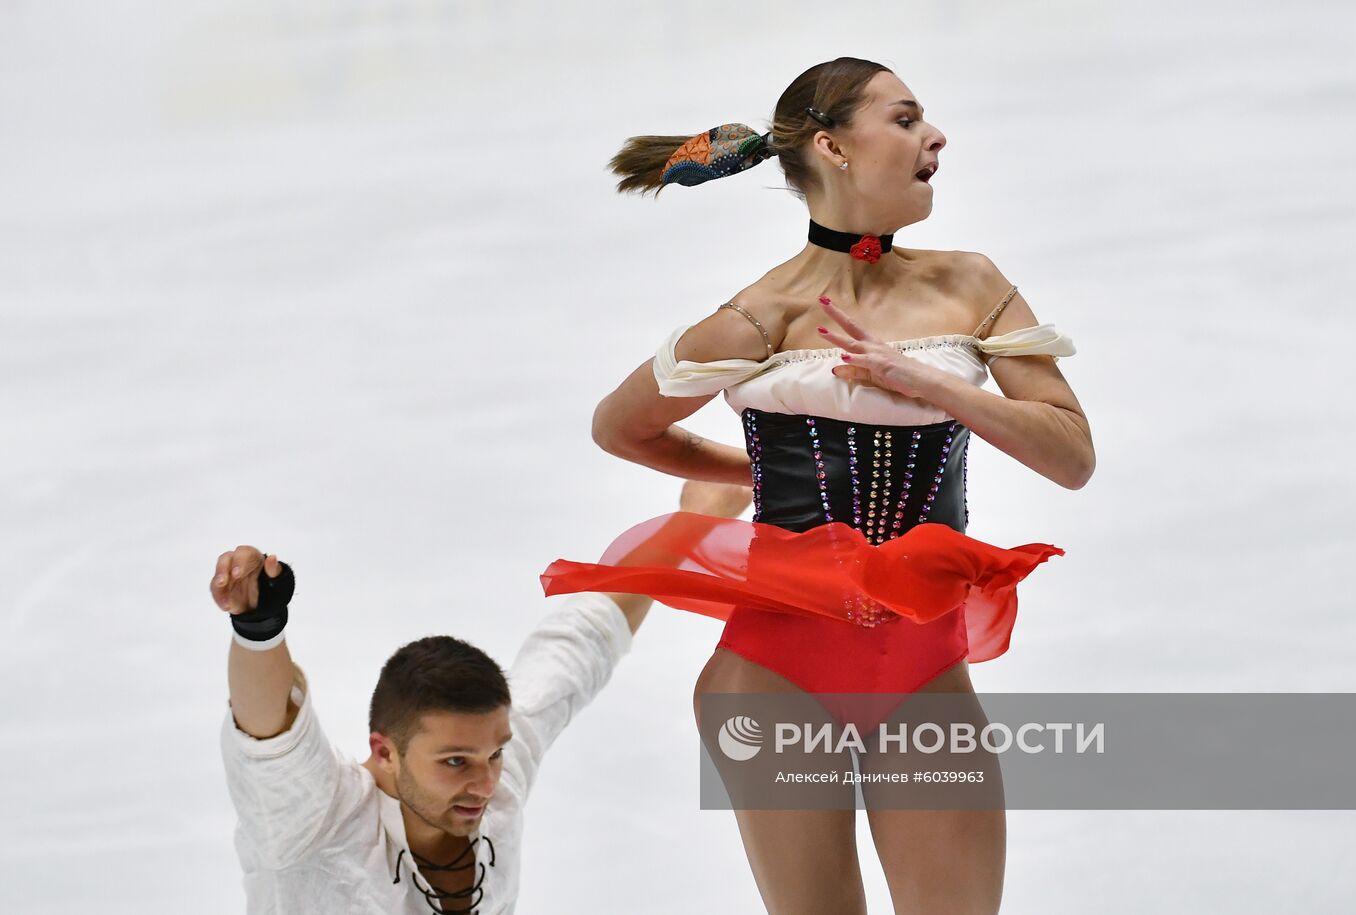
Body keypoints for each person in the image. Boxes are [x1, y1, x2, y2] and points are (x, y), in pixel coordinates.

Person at [539, 58, 1095, 914]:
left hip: (923, 673)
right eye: (906, 120)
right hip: (774, 675)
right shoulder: (764, 314)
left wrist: (939, 387)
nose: (935, 136)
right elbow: (623, 426)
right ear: (834, 147)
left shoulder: (973, 285)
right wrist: (752, 475)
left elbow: (1071, 455)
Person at [213, 479, 752, 914]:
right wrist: (260, 627)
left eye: (493, 754)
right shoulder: (318, 824)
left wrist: (691, 522)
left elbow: (578, 645)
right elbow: (271, 737)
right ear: (384, 752)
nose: (486, 782)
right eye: (455, 762)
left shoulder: (496, 777)